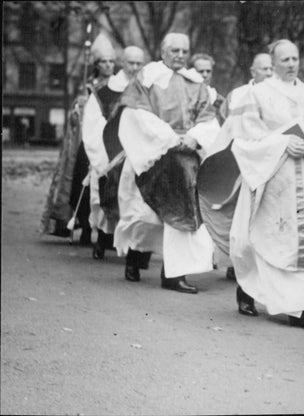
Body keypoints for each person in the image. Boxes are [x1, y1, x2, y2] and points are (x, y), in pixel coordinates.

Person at [228, 39, 304, 331]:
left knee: (300, 242)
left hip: (303, 176)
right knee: (265, 236)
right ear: (274, 62)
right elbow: (245, 138)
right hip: (271, 175)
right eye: (285, 60)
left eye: (295, 58)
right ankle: (248, 291)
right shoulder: (257, 94)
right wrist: (283, 142)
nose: (292, 64)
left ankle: (300, 308)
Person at [116, 33, 218, 293]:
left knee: (180, 216)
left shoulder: (196, 83)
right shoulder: (147, 78)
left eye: (185, 51)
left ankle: (173, 274)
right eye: (175, 50)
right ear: (163, 51)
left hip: (185, 161)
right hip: (153, 156)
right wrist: (169, 138)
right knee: (145, 216)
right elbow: (136, 114)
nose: (180, 56)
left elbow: (208, 119)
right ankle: (135, 260)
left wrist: (195, 138)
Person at [202, 52, 273, 317]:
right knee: (245, 236)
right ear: (252, 71)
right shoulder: (242, 95)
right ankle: (245, 291)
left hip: (279, 175)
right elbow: (230, 130)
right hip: (249, 169)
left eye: (270, 68)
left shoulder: (283, 96)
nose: (267, 73)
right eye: (262, 68)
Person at [41, 34, 116, 244]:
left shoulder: (120, 85)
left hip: (110, 143)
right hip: (89, 141)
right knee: (81, 183)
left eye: (111, 61)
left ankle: (106, 234)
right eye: (103, 61)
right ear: (96, 64)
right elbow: (77, 117)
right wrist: (78, 108)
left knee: (109, 187)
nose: (108, 66)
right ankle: (83, 227)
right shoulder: (88, 86)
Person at [83, 45, 146, 260]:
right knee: (106, 200)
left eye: (139, 63)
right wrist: (101, 161)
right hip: (110, 155)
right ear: (123, 62)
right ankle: (102, 241)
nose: (135, 67)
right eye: (131, 63)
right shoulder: (104, 93)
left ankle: (133, 251)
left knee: (135, 203)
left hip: (138, 155)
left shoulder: (148, 90)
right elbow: (93, 128)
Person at [189, 53, 226, 124]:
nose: (205, 75)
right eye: (201, 71)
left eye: (208, 71)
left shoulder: (216, 97)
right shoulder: (186, 93)